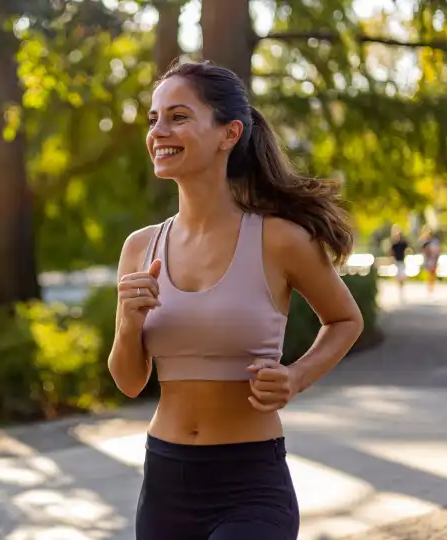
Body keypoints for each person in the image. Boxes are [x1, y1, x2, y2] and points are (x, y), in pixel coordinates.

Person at [107, 60, 364, 540]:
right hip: (165, 481)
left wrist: (296, 376)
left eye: (178, 116)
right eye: (153, 119)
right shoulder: (140, 248)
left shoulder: (279, 240)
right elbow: (128, 381)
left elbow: (345, 320)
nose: (159, 130)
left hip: (250, 482)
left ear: (229, 133)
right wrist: (127, 323)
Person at [389, 225, 413, 301]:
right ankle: (400, 289)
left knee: (402, 275)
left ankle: (401, 288)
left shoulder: (403, 243)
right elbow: (390, 252)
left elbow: (409, 248)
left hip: (402, 261)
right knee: (398, 276)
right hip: (396, 261)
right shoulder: (394, 244)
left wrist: (410, 252)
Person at [419, 226, 441, 294]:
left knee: (432, 272)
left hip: (433, 258)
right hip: (427, 259)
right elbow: (422, 250)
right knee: (428, 272)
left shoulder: (435, 241)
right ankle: (429, 285)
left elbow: (438, 250)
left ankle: (431, 286)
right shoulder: (424, 241)